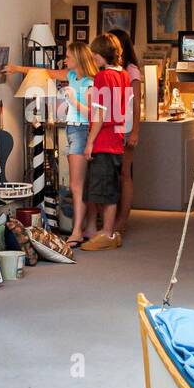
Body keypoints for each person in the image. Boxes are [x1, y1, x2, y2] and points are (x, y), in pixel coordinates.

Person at [5, 40, 98, 247]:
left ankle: (76, 231)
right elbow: (44, 72)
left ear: (78, 59)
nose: (65, 59)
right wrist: (16, 69)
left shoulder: (89, 83)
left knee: (76, 185)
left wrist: (72, 99)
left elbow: (92, 113)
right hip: (74, 130)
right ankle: (87, 227)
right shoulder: (72, 75)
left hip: (82, 131)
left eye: (68, 56)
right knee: (81, 184)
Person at [81, 33, 130, 251]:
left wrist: (90, 142)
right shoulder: (125, 76)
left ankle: (107, 233)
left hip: (104, 139)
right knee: (109, 185)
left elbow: (100, 113)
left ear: (103, 55)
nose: (94, 59)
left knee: (104, 188)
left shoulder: (102, 78)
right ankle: (107, 231)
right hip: (117, 138)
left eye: (96, 55)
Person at [108, 28, 141, 237]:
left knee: (124, 173)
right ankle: (112, 216)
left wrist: (135, 131)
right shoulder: (112, 69)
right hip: (110, 126)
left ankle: (122, 219)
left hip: (126, 126)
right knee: (110, 173)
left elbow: (137, 103)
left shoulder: (131, 70)